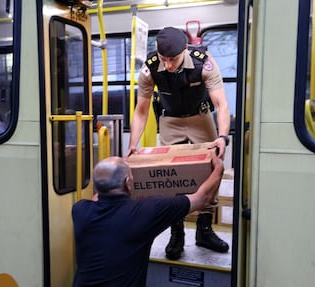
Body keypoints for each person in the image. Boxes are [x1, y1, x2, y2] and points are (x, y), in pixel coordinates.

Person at [126, 26, 231, 260]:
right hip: (170, 120)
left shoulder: (203, 61)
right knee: (170, 175)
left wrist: (222, 137)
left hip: (200, 118)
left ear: (184, 49)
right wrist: (133, 143)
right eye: (165, 59)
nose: (169, 65)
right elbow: (141, 110)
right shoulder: (151, 66)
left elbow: (222, 103)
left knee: (210, 169)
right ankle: (177, 233)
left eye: (173, 59)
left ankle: (204, 230)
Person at [72, 151, 224, 287]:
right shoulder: (147, 212)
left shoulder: (79, 211)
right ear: (127, 183)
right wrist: (218, 169)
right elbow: (203, 198)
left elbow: (98, 195)